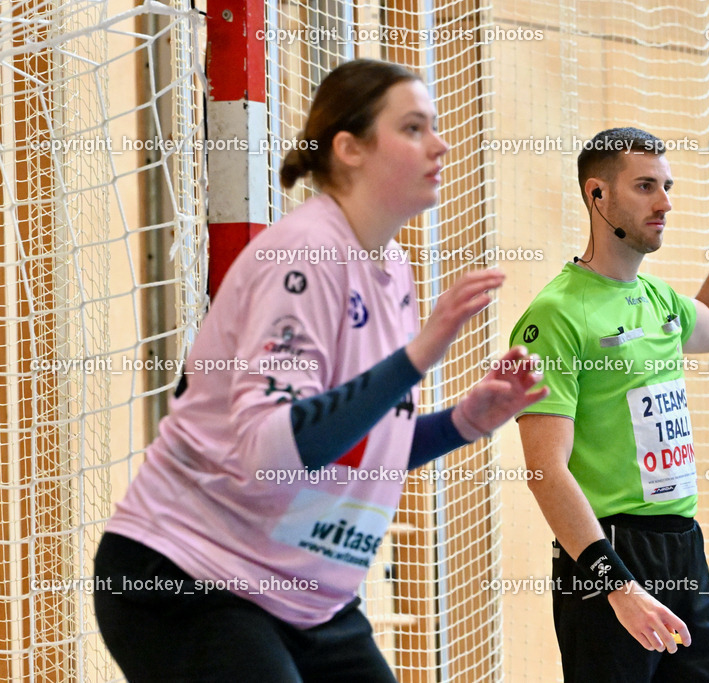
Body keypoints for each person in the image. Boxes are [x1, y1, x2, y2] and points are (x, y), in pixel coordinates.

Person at [93, 58, 547, 682]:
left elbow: (352, 451)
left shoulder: (392, 269)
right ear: (350, 148)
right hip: (191, 578)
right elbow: (270, 451)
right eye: (414, 128)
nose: (439, 144)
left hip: (309, 603)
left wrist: (464, 422)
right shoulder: (303, 256)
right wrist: (417, 357)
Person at [511, 107, 709, 682]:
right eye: (646, 186)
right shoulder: (554, 315)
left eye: (667, 186)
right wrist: (617, 586)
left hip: (681, 547)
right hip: (608, 554)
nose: (665, 202)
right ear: (598, 196)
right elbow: (545, 470)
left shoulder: (657, 299)